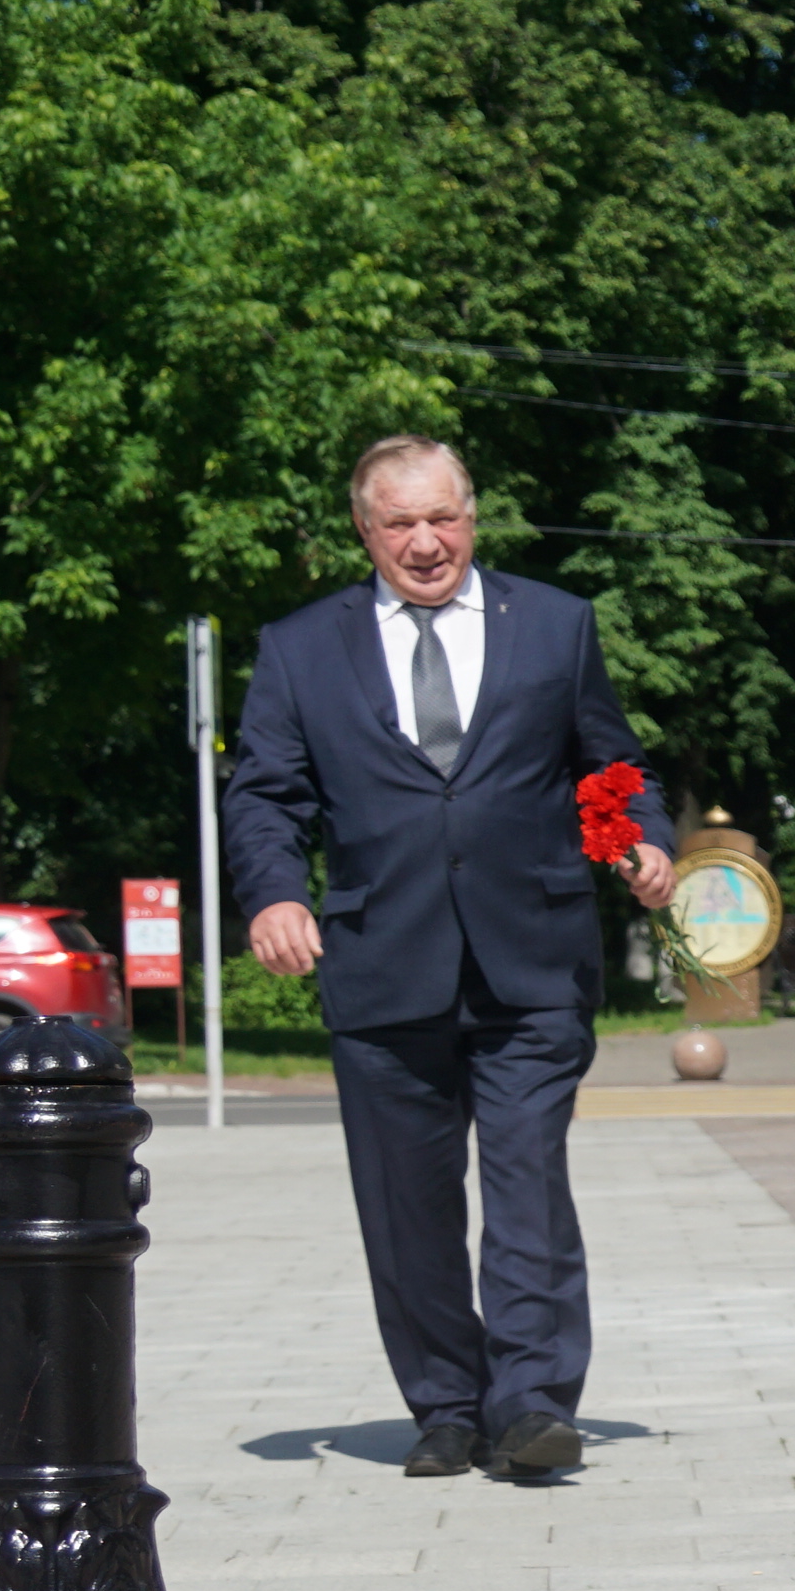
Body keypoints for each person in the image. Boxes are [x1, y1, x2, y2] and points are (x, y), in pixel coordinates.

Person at [223, 434, 676, 1482]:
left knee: (528, 1188)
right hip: (382, 966)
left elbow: (610, 762)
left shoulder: (554, 624)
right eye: (400, 523)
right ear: (364, 530)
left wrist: (641, 839)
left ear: (473, 517)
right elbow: (265, 796)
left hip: (534, 962)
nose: (425, 543)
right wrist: (276, 895)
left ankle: (531, 1404)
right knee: (407, 1207)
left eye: (443, 518)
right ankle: (445, 1405)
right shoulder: (300, 646)